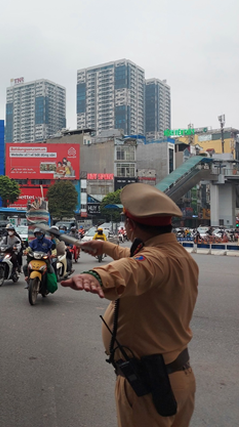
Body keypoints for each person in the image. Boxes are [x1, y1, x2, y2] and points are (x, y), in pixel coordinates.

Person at [60, 183, 198, 427]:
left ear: (130, 226)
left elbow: (134, 267)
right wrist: (106, 247)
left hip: (151, 386)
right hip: (175, 375)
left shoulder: (155, 260)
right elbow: (135, 258)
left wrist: (95, 275)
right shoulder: (178, 255)